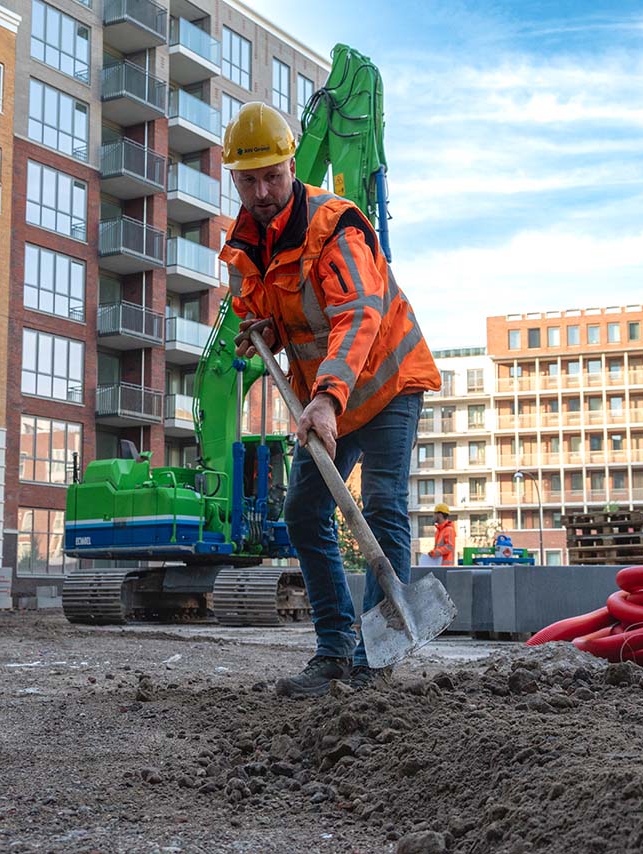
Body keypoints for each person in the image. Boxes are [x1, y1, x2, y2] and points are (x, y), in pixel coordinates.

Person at [220, 102, 440, 697]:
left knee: (383, 504)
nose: (263, 191)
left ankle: (377, 657)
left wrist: (327, 399)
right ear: (233, 177)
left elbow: (359, 312)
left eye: (273, 175)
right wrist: (258, 328)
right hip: (327, 397)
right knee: (303, 511)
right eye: (249, 179)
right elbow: (259, 310)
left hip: (386, 385)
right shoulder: (243, 247)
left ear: (293, 165)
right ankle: (334, 649)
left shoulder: (334, 225)